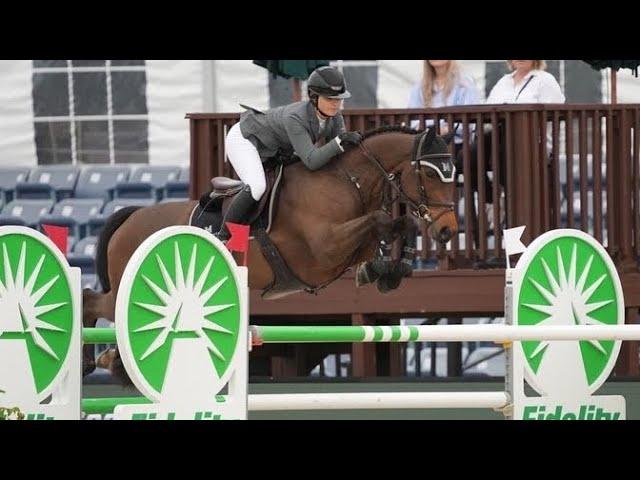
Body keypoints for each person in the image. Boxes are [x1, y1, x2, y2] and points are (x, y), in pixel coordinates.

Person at [218, 66, 363, 241]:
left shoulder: (334, 116)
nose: (335, 103)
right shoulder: (295, 118)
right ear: (314, 97)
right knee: (257, 187)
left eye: (338, 99)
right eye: (330, 98)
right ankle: (223, 237)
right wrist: (340, 142)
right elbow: (311, 160)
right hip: (245, 139)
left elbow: (340, 156)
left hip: (273, 149)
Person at [408, 60, 481, 144]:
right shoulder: (419, 86)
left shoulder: (464, 83)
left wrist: (438, 130)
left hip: (454, 143)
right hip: (426, 143)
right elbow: (413, 122)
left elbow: (467, 122)